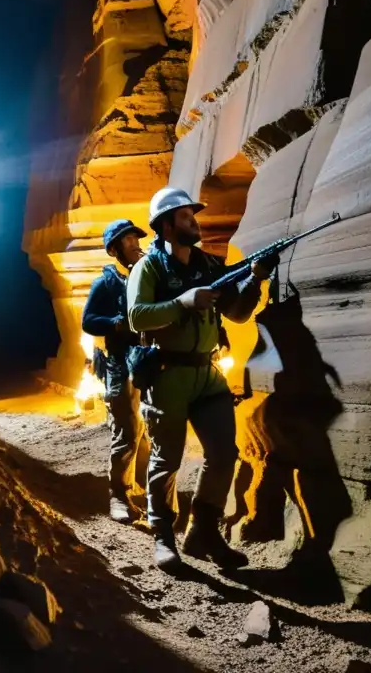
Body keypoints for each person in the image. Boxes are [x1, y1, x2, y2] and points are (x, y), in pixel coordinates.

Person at [127, 187, 277, 573]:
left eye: (193, 214)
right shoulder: (150, 268)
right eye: (185, 215)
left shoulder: (208, 266)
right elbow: (137, 317)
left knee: (224, 454)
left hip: (207, 373)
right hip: (167, 374)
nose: (194, 219)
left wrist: (256, 278)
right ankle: (163, 537)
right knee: (168, 459)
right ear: (165, 225)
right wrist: (183, 302)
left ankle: (203, 532)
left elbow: (238, 314)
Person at [81, 218, 150, 525]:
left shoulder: (147, 275)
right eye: (128, 240)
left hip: (149, 362)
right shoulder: (106, 284)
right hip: (121, 365)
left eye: (136, 238)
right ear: (114, 249)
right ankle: (118, 495)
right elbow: (88, 321)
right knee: (127, 430)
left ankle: (144, 491)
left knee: (148, 430)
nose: (136, 243)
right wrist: (115, 323)